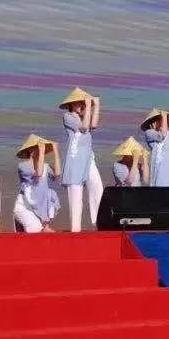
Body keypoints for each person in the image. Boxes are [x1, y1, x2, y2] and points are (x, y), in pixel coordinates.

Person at [59, 87, 104, 232]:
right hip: (75, 161)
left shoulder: (85, 116)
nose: (81, 105)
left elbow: (93, 125)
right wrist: (89, 105)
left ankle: (99, 222)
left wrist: (96, 105)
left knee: (97, 187)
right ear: (71, 104)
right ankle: (75, 231)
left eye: (82, 103)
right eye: (78, 102)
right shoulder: (68, 116)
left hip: (88, 159)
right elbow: (84, 127)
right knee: (76, 196)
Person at [12, 134, 62, 233]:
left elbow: (57, 174)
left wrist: (55, 151)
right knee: (35, 230)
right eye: (37, 149)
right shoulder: (23, 166)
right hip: (24, 206)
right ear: (31, 152)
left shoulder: (45, 166)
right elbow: (38, 173)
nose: (40, 152)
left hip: (37, 207)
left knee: (50, 193)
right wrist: (42, 152)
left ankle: (45, 224)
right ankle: (21, 221)